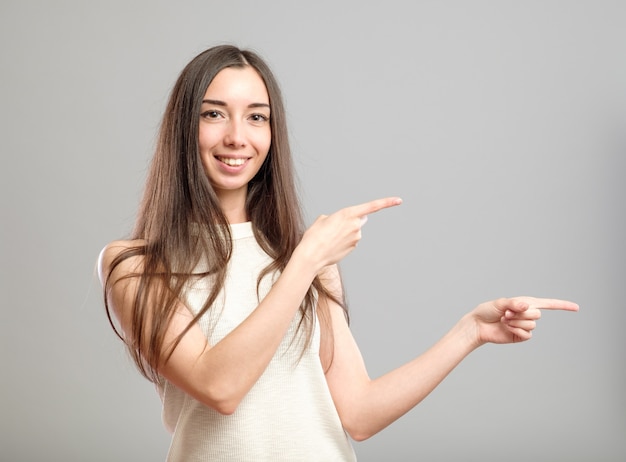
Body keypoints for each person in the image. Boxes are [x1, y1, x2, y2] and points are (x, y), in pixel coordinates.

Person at [98, 44, 579, 462]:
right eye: (214, 113)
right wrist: (305, 261)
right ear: (185, 127)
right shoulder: (135, 266)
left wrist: (469, 332)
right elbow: (218, 386)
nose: (237, 137)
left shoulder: (308, 256)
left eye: (257, 116)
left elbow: (360, 414)